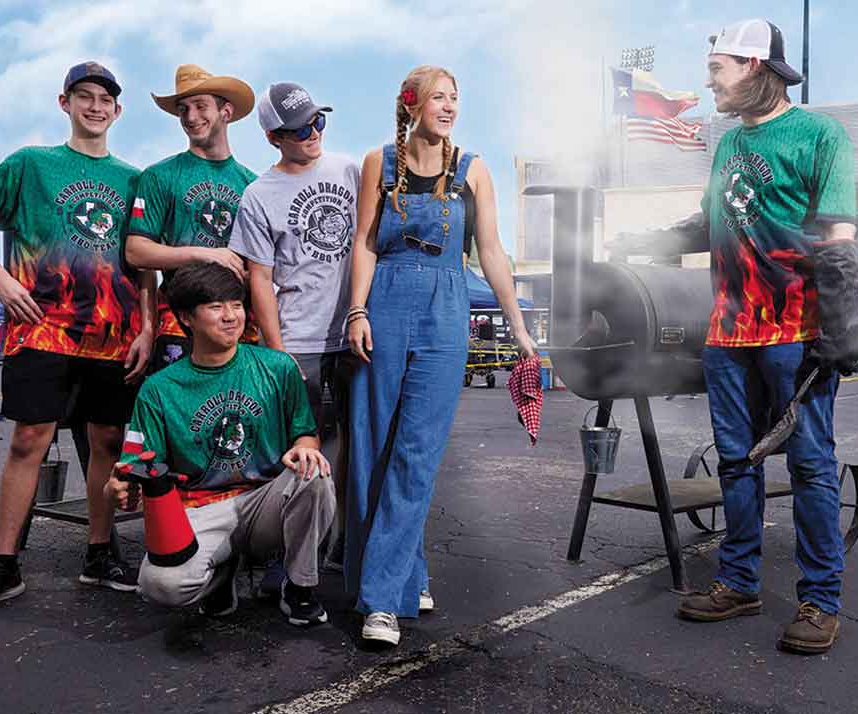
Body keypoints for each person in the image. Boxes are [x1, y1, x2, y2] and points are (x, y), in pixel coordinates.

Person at [672, 19, 858, 655]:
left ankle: (820, 603)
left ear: (755, 65)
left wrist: (840, 328)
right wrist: (668, 237)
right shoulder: (726, 143)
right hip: (728, 331)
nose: (709, 80)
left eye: (718, 68)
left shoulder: (819, 134)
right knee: (735, 461)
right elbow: (718, 217)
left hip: (795, 330)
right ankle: (739, 581)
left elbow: (838, 237)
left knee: (809, 466)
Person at [0, 62, 154, 617]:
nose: (95, 106)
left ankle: (100, 554)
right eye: (84, 96)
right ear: (64, 103)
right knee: (27, 440)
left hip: (112, 338)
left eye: (105, 99)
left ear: (118, 110)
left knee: (107, 442)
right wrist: (1, 278)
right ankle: (4, 566)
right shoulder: (30, 164)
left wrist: (148, 325)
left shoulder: (135, 179)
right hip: (42, 328)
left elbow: (144, 262)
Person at [344, 65, 537, 645]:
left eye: (455, 98)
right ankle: (407, 574)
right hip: (386, 304)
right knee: (371, 446)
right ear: (412, 106)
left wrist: (518, 328)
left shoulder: (473, 170)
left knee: (417, 453)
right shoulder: (380, 162)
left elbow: (493, 253)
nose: (450, 107)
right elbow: (365, 243)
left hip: (447, 305)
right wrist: (356, 311)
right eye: (438, 98)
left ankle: (380, 600)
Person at [104, 262, 336, 626]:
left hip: (264, 503)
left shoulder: (278, 368)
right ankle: (220, 576)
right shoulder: (160, 389)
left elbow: (304, 432)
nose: (231, 317)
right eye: (216, 307)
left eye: (237, 305)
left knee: (314, 475)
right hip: (199, 509)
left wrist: (306, 445)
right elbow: (133, 467)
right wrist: (115, 488)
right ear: (186, 317)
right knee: (161, 585)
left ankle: (299, 584)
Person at [229, 82, 360, 571]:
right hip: (298, 339)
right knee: (296, 452)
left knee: (352, 445)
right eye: (300, 128)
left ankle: (344, 542)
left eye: (318, 121)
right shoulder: (259, 195)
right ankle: (284, 556)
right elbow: (258, 279)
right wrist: (276, 349)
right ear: (272, 137)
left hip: (350, 335)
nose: (313, 134)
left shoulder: (349, 170)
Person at [125, 64, 259, 372]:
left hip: (238, 324)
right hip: (178, 320)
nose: (190, 117)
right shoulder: (159, 176)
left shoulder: (253, 185)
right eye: (183, 109)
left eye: (201, 106)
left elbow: (261, 267)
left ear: (226, 111)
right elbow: (136, 252)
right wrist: (206, 254)